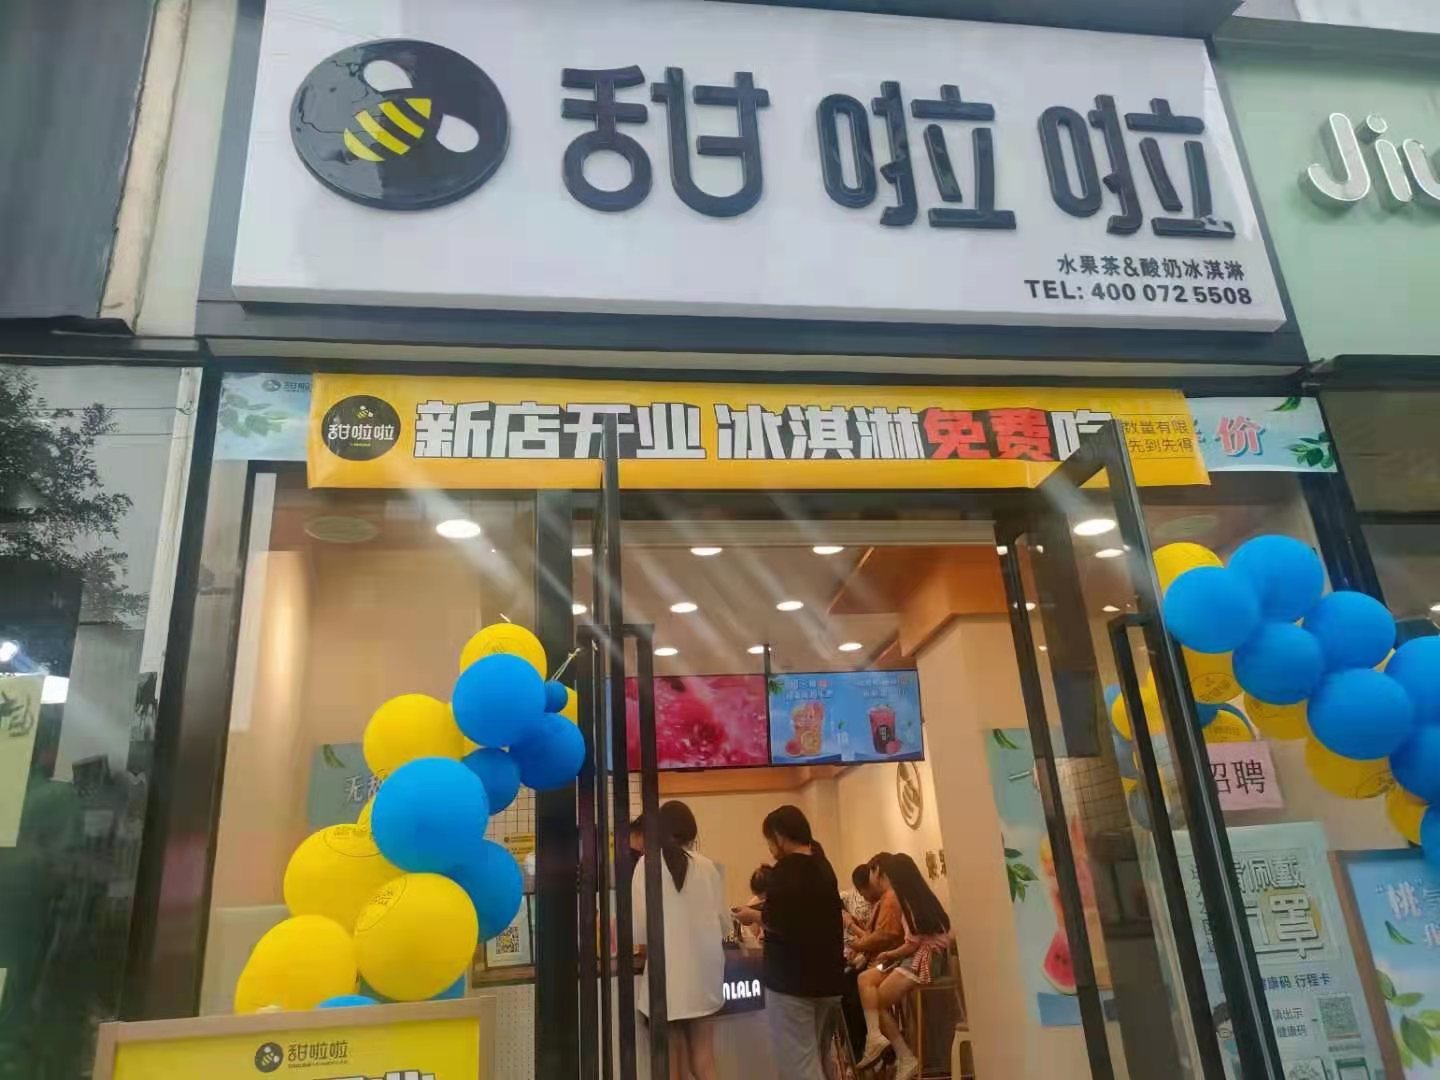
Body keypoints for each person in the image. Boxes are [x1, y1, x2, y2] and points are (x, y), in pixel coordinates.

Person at [733, 805, 845, 1080]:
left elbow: (778, 920)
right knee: (820, 1061)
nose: (770, 849)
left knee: (799, 1067)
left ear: (780, 836)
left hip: (792, 984)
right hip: (828, 981)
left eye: (769, 841)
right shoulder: (823, 865)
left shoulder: (785, 871)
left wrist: (752, 916)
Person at [632, 800, 728, 1080]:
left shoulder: (646, 866)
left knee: (670, 1066)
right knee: (705, 1060)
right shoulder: (708, 867)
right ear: (690, 832)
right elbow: (723, 925)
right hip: (705, 976)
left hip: (666, 977)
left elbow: (639, 930)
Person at [856, 853, 953, 1080]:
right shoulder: (913, 896)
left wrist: (890, 954)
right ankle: (874, 1037)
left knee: (877, 1000)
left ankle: (904, 1056)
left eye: (875, 871)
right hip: (909, 956)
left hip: (921, 958)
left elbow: (913, 943)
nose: (874, 876)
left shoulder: (903, 900)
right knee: (865, 979)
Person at [840, 854, 905, 1058]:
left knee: (860, 989)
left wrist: (854, 939)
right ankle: (866, 1047)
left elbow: (883, 937)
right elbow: (873, 935)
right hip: (881, 958)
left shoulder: (890, 899)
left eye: (873, 873)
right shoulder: (882, 901)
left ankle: (876, 1046)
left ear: (879, 873)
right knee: (847, 984)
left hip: (889, 960)